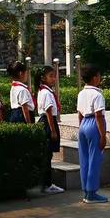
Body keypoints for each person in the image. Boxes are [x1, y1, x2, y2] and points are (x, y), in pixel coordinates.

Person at [77, 64, 108, 203]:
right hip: (93, 125)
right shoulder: (97, 94)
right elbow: (98, 116)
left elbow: (79, 114)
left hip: (83, 124)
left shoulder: (81, 93)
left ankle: (85, 191)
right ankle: (92, 193)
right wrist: (103, 135)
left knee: (84, 159)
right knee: (94, 160)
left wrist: (81, 128)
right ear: (95, 78)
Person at [35, 66, 64, 194]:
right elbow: (48, 112)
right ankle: (47, 184)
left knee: (48, 154)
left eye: (54, 76)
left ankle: (45, 183)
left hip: (47, 121)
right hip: (48, 122)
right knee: (47, 155)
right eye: (51, 76)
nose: (54, 79)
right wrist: (52, 130)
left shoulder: (44, 91)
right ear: (43, 78)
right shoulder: (46, 92)